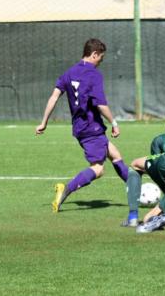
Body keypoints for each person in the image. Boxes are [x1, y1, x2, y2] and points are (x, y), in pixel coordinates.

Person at [35, 38, 129, 212]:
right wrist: (114, 123)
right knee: (98, 169)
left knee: (115, 155)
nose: (101, 61)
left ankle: (135, 191)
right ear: (94, 54)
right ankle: (66, 189)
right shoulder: (94, 74)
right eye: (101, 57)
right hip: (91, 127)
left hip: (81, 127)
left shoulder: (69, 73)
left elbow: (54, 97)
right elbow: (101, 105)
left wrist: (43, 122)